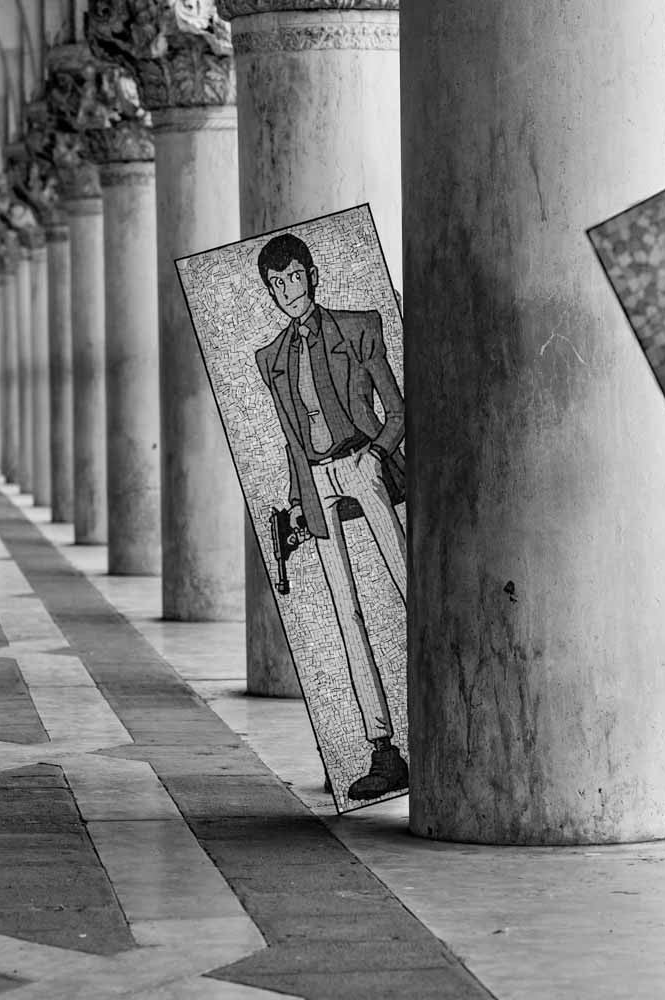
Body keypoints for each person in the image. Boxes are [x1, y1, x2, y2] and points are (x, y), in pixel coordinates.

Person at [255, 232, 409, 799]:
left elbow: (397, 411)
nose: (287, 291)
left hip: (363, 462)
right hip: (316, 480)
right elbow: (293, 441)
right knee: (348, 614)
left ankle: (444, 714)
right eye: (277, 284)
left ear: (313, 277)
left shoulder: (358, 327)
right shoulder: (272, 359)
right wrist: (299, 501)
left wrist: (375, 456)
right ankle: (383, 750)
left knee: (407, 585)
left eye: (295, 277)